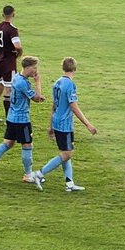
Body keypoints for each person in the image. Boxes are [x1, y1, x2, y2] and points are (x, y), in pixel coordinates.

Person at [31, 57, 97, 193]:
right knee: (67, 154)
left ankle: (69, 183)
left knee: (66, 152)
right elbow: (73, 106)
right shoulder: (70, 85)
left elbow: (54, 105)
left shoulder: (57, 83)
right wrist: (87, 124)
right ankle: (39, 174)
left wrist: (50, 125)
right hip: (64, 124)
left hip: (57, 121)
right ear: (75, 69)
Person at [0, 56, 44, 183]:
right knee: (27, 145)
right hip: (22, 120)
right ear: (27, 67)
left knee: (8, 143)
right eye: (34, 68)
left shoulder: (17, 78)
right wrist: (37, 82)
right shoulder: (23, 83)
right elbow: (37, 98)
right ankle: (28, 175)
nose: (36, 70)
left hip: (11, 117)